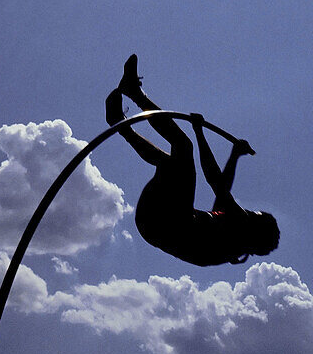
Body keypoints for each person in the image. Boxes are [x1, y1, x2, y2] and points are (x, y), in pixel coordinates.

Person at [105, 54, 279, 267]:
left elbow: (214, 180)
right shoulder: (234, 240)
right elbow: (222, 192)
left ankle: (134, 93)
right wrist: (234, 156)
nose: (249, 212)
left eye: (254, 215)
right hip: (153, 222)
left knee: (183, 147)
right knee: (169, 164)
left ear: (255, 228)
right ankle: (121, 121)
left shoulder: (241, 227)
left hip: (167, 222)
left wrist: (199, 131)